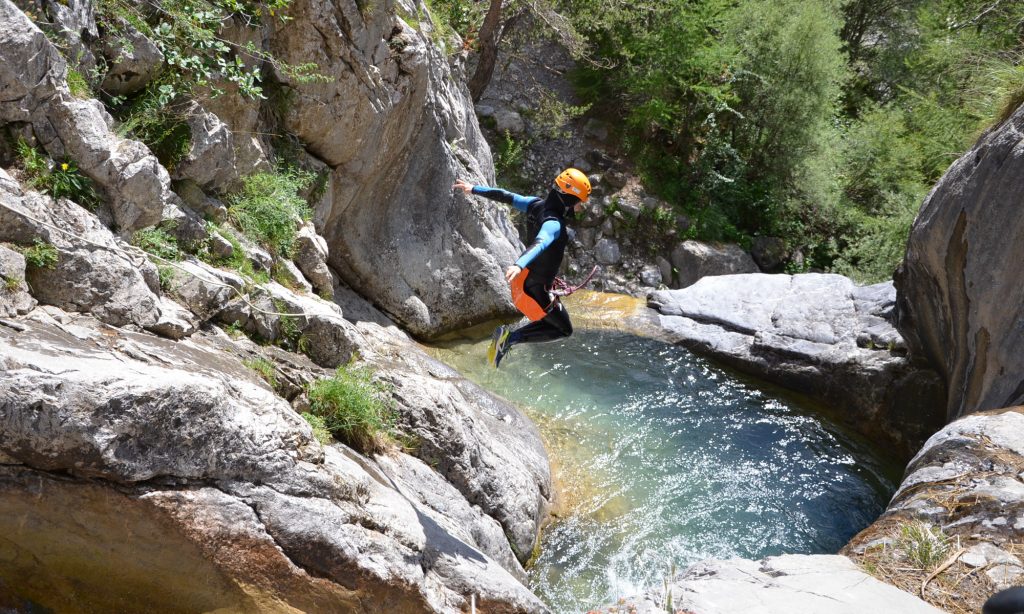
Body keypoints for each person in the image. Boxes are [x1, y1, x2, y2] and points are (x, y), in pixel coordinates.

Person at [454, 168, 592, 367]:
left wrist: (474, 188)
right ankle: (509, 338)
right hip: (533, 288)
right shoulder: (554, 224)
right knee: (563, 329)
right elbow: (541, 242)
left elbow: (506, 196)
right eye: (580, 202)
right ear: (569, 199)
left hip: (527, 280)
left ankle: (507, 339)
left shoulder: (535, 204)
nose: (580, 208)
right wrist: (518, 264)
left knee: (550, 320)